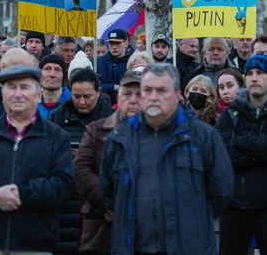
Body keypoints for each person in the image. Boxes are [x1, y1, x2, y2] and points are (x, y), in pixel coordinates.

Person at [100, 63, 233, 255]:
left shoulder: (203, 137)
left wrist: (193, 219)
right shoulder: (120, 138)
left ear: (178, 95)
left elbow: (221, 190)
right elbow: (109, 192)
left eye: (162, 90)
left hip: (189, 248)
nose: (153, 97)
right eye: (147, 90)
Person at [0, 65, 75, 255]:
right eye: (11, 87)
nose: (17, 94)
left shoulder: (57, 137)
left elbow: (63, 185)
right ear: (2, 95)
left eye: (24, 87)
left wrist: (23, 194)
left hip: (34, 243)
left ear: (38, 95)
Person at [216, 54, 267, 254]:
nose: (253, 78)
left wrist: (241, 142)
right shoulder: (231, 113)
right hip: (234, 206)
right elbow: (222, 153)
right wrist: (260, 153)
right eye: (250, 73)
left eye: (260, 73)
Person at [74, 71, 142, 255]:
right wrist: (113, 200)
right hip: (100, 230)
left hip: (145, 232)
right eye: (128, 94)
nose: (133, 100)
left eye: (140, 94)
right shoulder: (96, 130)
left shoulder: (160, 135)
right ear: (119, 97)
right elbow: (81, 171)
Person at [51, 68, 114, 254]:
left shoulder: (112, 120)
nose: (82, 102)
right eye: (77, 96)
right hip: (66, 198)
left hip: (98, 200)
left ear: (98, 92)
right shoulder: (59, 116)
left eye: (87, 96)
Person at [98, 29, 133, 104]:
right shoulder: (98, 62)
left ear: (126, 43)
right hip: (102, 108)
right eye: (111, 43)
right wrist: (113, 87)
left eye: (117, 43)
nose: (114, 47)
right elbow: (94, 86)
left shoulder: (132, 63)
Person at [38, 54, 72, 120]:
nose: (52, 74)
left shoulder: (73, 105)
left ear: (63, 76)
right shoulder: (30, 105)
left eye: (57, 70)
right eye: (47, 69)